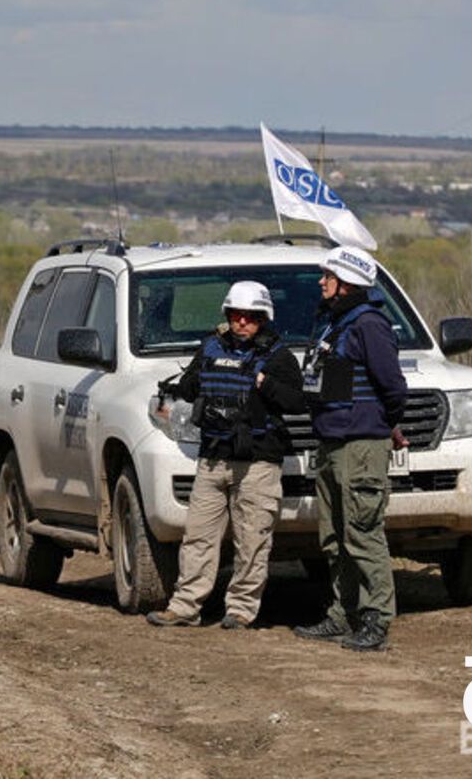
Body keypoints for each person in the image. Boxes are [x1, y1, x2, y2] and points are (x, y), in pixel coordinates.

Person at [146, 281, 305, 630]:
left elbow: (297, 402)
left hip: (258, 463)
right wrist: (195, 375)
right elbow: (187, 389)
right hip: (213, 458)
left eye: (250, 317)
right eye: (236, 316)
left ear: (263, 319)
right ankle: (185, 607)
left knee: (252, 540)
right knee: (198, 537)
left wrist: (266, 384)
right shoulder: (210, 348)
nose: (242, 323)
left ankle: (240, 611)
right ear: (228, 316)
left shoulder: (279, 357)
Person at [293, 246, 408, 652]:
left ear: (347, 283)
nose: (321, 282)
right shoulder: (334, 324)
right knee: (333, 535)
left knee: (362, 532)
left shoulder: (369, 325)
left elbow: (393, 388)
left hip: (360, 444)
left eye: (328, 276)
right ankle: (344, 614)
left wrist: (382, 424)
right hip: (331, 442)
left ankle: (376, 619)